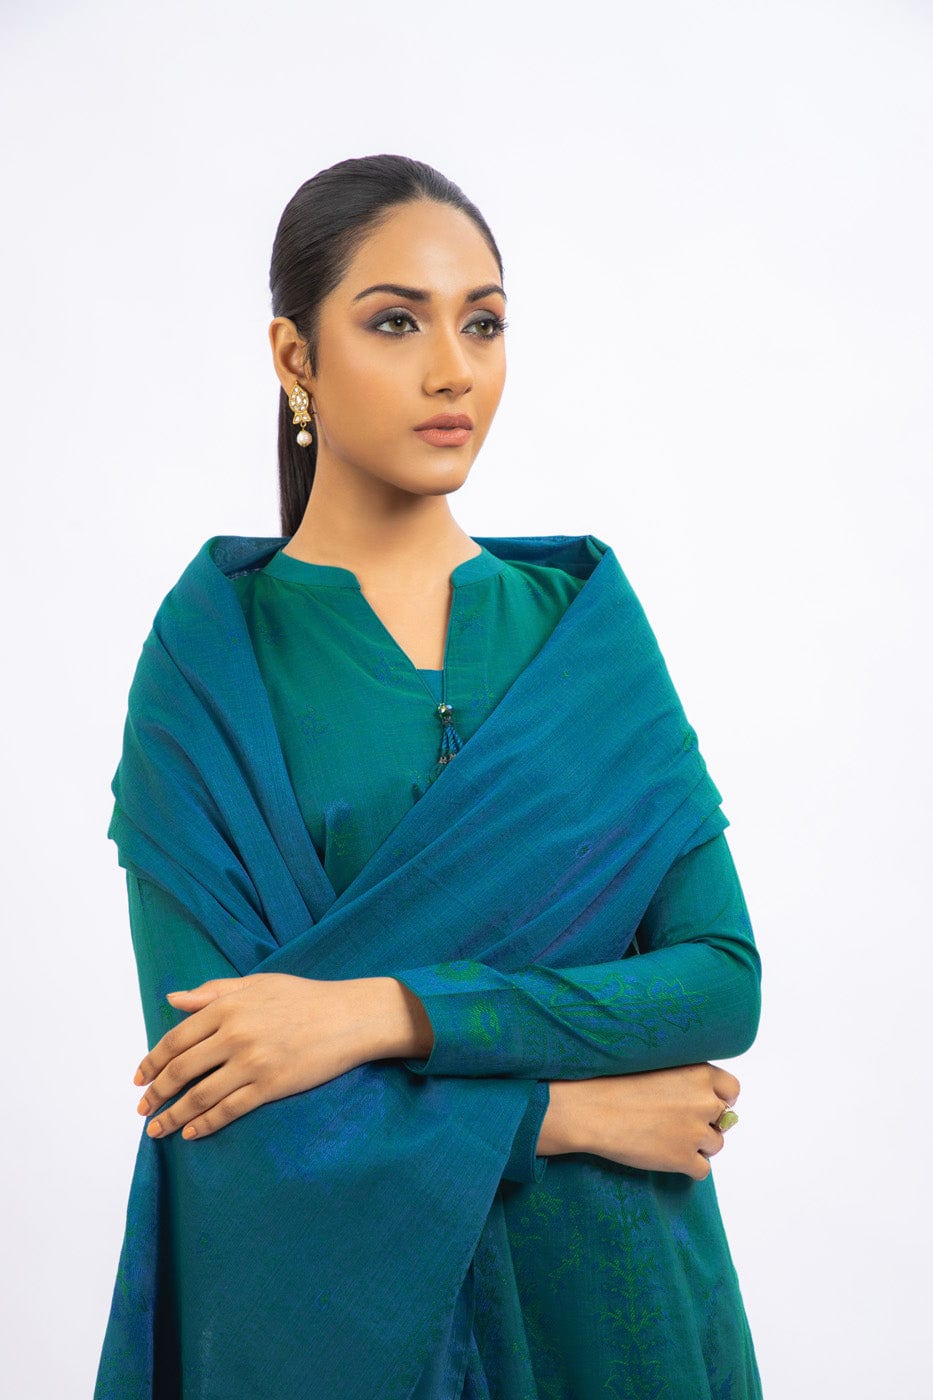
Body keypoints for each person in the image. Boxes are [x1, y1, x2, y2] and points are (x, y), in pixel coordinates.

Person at [94, 154, 764, 1398]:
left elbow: (718, 982)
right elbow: (213, 1086)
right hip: (332, 1330)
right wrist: (562, 1113)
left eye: (483, 323)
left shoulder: (583, 633)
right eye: (396, 322)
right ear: (295, 357)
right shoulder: (213, 664)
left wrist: (379, 1010)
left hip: (618, 1315)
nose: (453, 369)